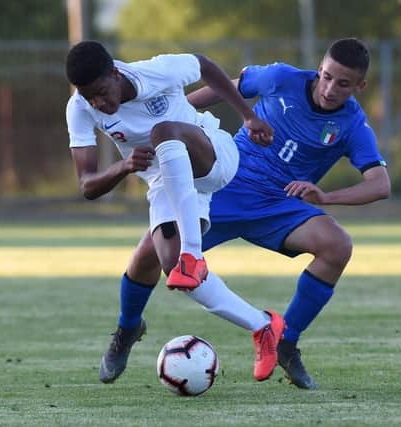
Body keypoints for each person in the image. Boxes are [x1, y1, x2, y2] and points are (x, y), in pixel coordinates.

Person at [64, 41, 284, 385]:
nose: (99, 104)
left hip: (212, 154)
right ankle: (263, 325)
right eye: (90, 97)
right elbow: (87, 185)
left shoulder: (158, 70)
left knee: (163, 131)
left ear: (114, 73)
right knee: (168, 266)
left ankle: (192, 256)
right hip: (165, 181)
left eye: (103, 93)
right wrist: (122, 167)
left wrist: (248, 115)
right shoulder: (79, 107)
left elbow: (205, 65)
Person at [185, 37, 391, 389]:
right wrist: (175, 118)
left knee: (337, 246)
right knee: (157, 255)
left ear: (360, 86)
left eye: (343, 84)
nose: (330, 89)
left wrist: (325, 197)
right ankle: (127, 330)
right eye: (327, 76)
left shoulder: (352, 124)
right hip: (226, 186)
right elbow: (224, 87)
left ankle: (286, 341)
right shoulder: (281, 78)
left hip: (277, 205)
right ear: (319, 68)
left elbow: (379, 183)